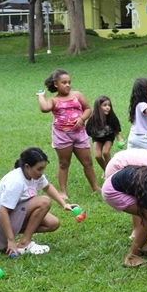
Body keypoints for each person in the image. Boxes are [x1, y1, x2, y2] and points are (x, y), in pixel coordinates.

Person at [0, 147, 76, 256]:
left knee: (53, 223)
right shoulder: (16, 181)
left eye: (43, 169)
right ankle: (24, 243)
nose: (42, 173)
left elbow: (47, 187)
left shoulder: (34, 175)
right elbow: (2, 211)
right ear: (27, 167)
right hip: (1, 219)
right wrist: (11, 240)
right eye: (39, 169)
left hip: (14, 216)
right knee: (44, 201)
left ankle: (1, 237)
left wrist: (64, 204)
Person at [37, 68, 100, 199]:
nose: (67, 85)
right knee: (64, 163)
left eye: (69, 82)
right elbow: (44, 108)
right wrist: (41, 97)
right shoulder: (54, 100)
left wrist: (82, 119)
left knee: (87, 162)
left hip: (80, 134)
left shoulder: (77, 95)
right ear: (56, 84)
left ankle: (95, 187)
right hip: (62, 136)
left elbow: (88, 109)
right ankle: (63, 192)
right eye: (64, 82)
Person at [87, 95, 124, 173]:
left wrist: (120, 140)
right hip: (97, 138)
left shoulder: (111, 117)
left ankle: (111, 171)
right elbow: (87, 132)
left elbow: (116, 131)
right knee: (97, 156)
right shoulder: (93, 119)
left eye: (109, 105)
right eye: (104, 105)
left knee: (105, 152)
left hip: (108, 137)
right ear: (98, 107)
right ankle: (106, 170)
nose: (108, 107)